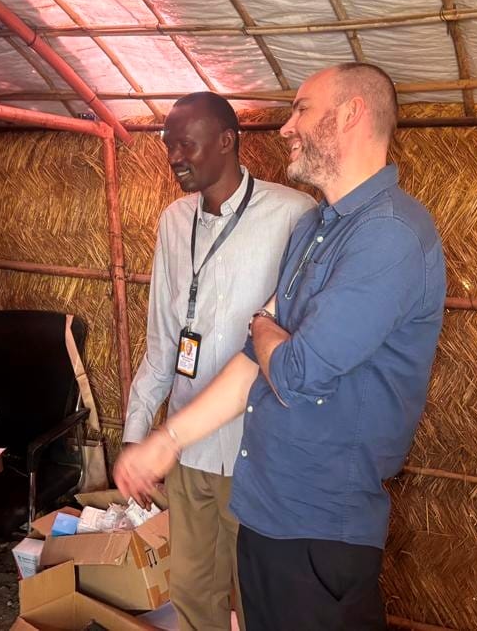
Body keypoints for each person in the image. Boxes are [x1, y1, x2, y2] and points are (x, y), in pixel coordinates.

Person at [116, 63, 446, 631]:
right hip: (268, 508)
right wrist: (165, 440)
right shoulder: (315, 228)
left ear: (351, 114)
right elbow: (254, 360)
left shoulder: (389, 234)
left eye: (301, 110)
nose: (286, 127)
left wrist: (265, 330)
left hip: (320, 526)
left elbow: (296, 372)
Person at [123, 92, 314, 631]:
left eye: (186, 144)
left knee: (259, 599)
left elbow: (298, 346)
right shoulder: (173, 221)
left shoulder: (293, 215)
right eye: (168, 146)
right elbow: (163, 339)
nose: (174, 157)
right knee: (192, 593)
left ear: (227, 141)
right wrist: (137, 433)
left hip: (258, 452)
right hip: (188, 449)